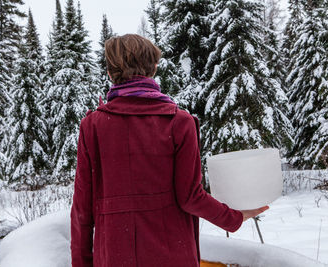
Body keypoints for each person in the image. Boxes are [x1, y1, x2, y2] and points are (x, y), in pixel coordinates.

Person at [70, 34, 269, 267]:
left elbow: (82, 210)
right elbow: (190, 197)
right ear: (153, 68)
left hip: (114, 256)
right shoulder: (179, 122)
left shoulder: (93, 126)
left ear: (110, 72)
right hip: (172, 255)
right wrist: (233, 218)